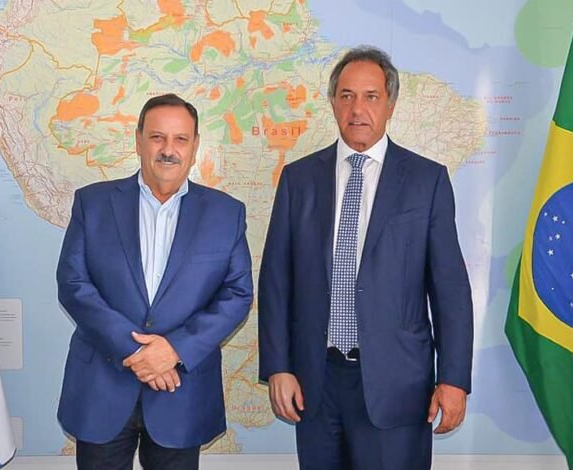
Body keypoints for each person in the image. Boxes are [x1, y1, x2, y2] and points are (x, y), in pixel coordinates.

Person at [258, 45, 473, 469]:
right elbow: (277, 281)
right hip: (315, 383)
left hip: (396, 386)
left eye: (371, 96)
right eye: (347, 96)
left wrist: (453, 379)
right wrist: (278, 367)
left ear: (390, 104)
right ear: (333, 103)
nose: (358, 109)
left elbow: (449, 288)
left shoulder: (426, 181)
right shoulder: (299, 179)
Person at [56, 93, 253, 470]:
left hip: (182, 391)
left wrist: (174, 350)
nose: (168, 150)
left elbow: (237, 294)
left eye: (180, 139)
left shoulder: (226, 213)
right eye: (157, 137)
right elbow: (73, 283)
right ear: (138, 140)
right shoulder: (93, 203)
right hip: (102, 388)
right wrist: (138, 352)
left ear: (195, 147)